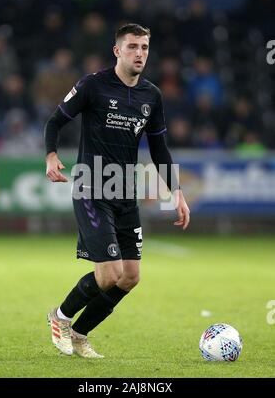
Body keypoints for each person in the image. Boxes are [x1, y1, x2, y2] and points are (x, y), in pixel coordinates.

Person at [44, 23, 190, 359]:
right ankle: (60, 317)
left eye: (144, 47)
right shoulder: (93, 85)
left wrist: (176, 192)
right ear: (117, 51)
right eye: (133, 47)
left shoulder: (151, 95)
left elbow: (159, 148)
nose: (140, 53)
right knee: (109, 273)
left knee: (130, 277)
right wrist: (51, 155)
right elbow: (55, 121)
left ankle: (80, 334)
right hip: (92, 188)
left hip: (126, 192)